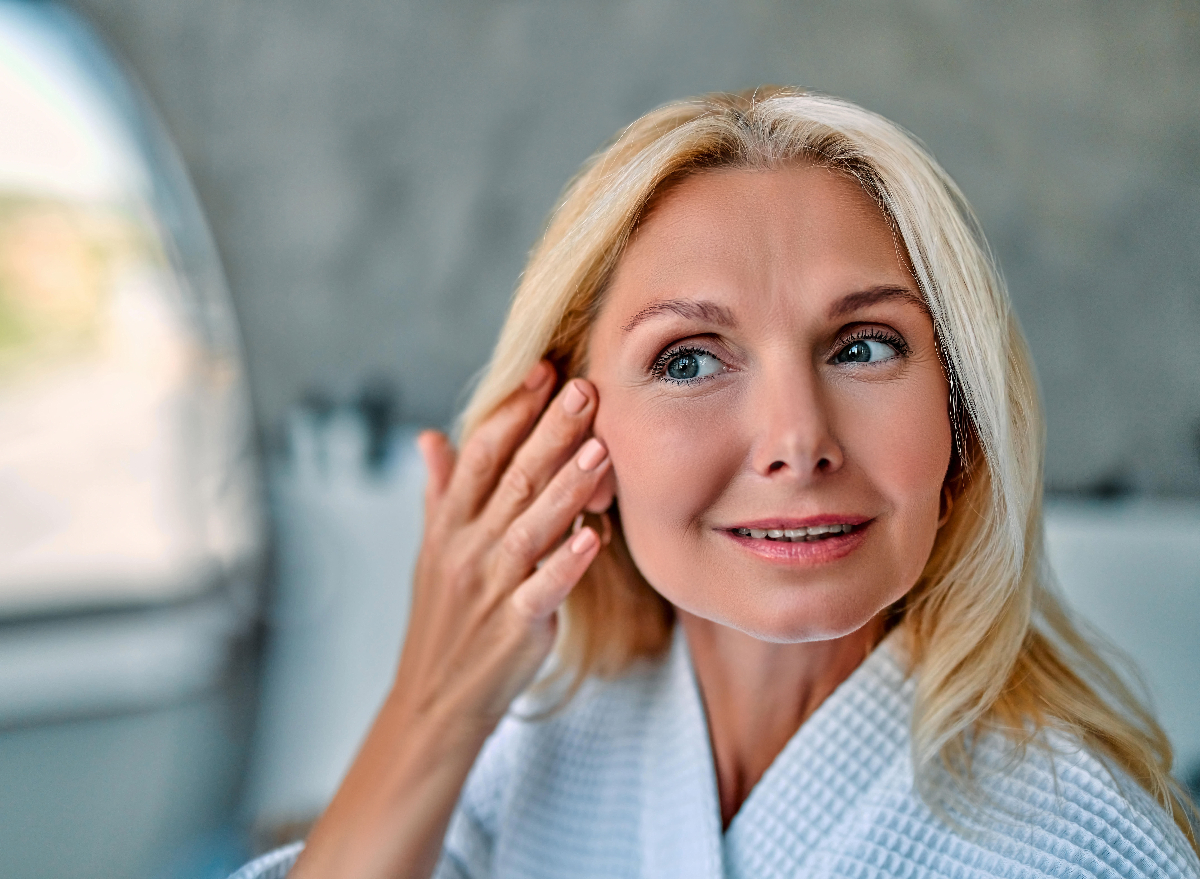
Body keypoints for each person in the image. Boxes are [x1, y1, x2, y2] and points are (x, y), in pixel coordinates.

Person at [232, 88, 1200, 879]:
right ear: (575, 435)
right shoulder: (531, 759)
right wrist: (430, 708)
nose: (797, 441)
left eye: (864, 347)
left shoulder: (1080, 844)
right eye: (690, 361)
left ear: (961, 423)